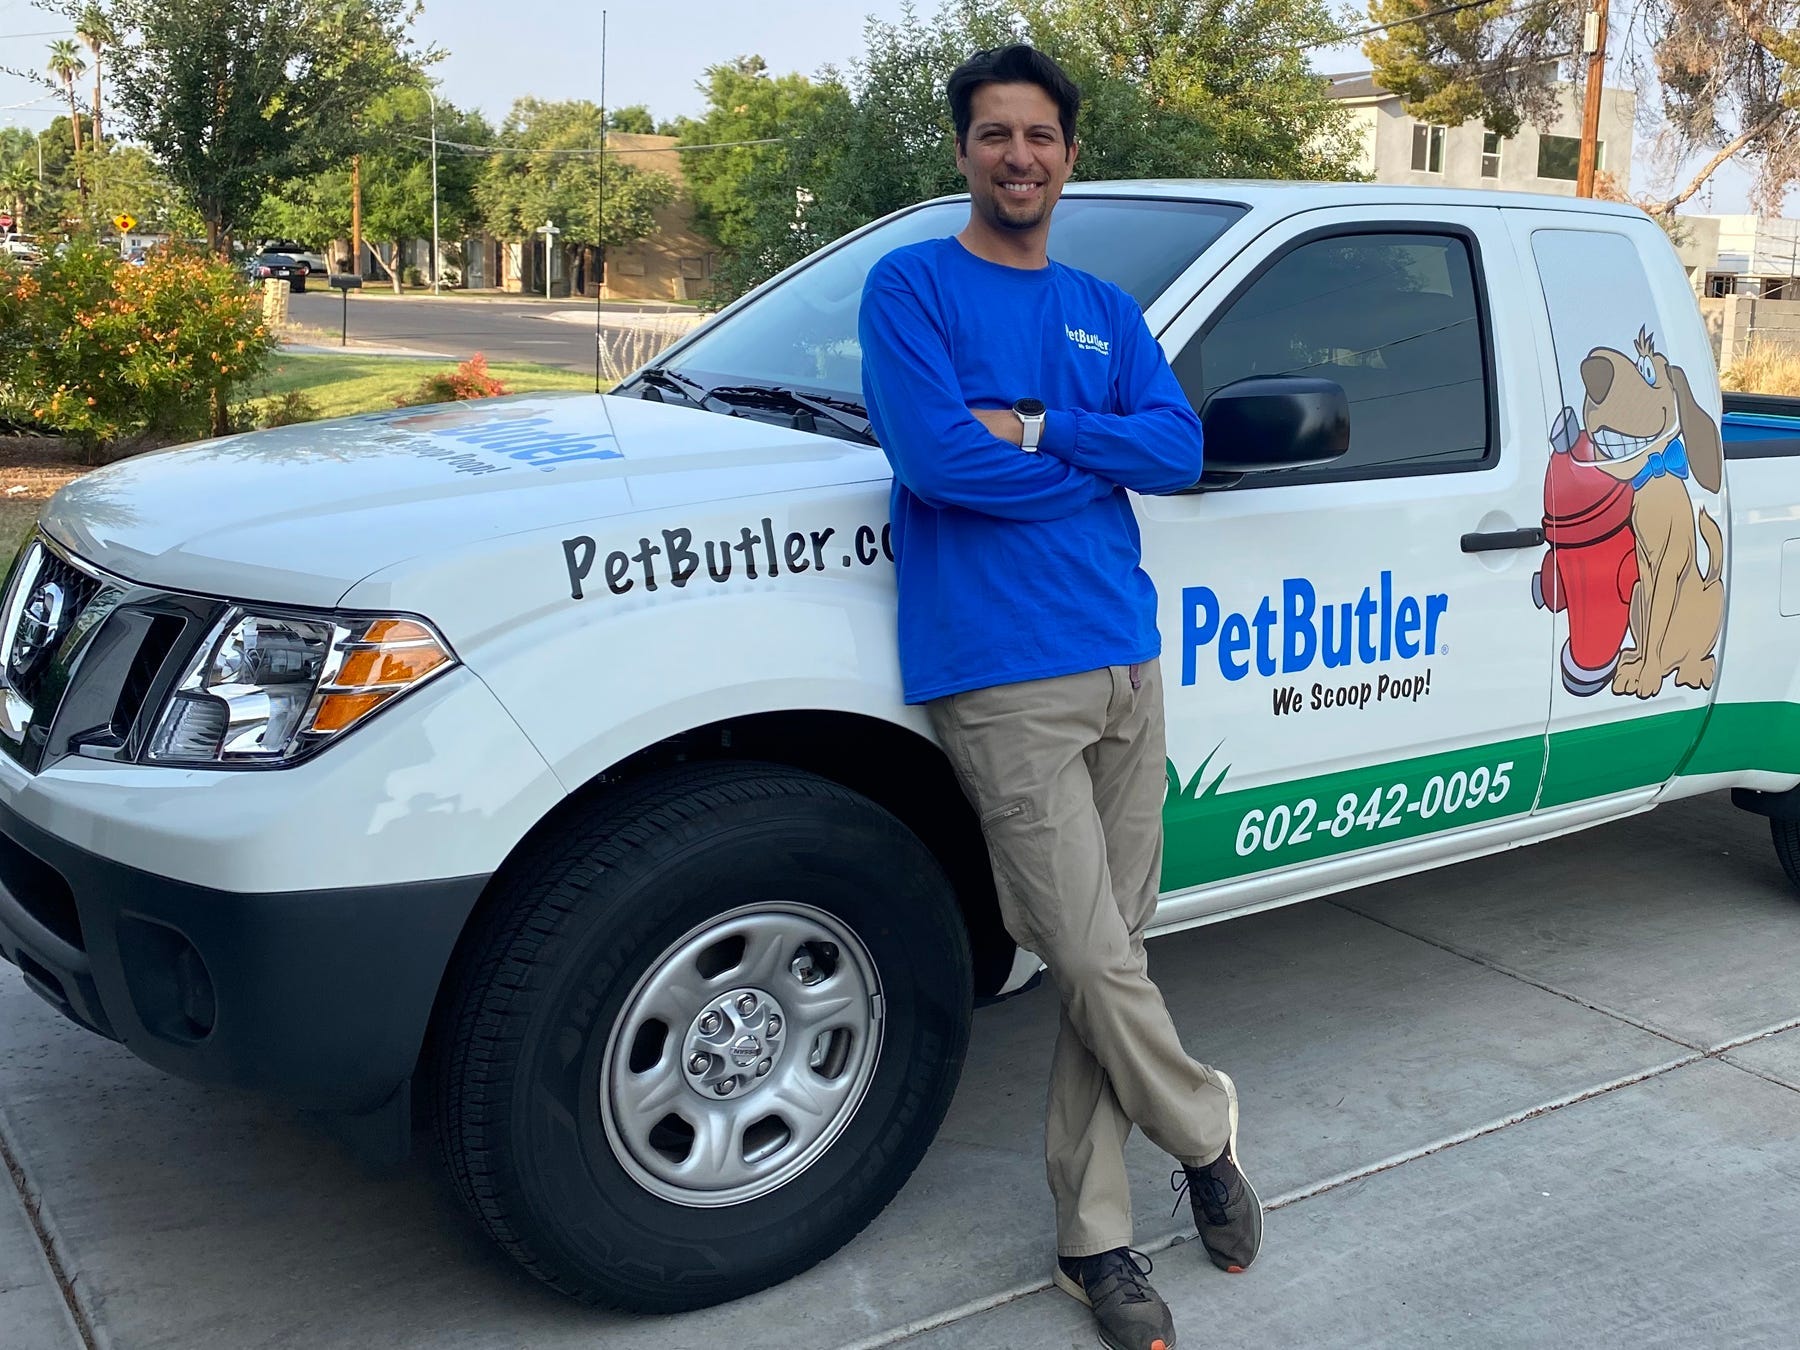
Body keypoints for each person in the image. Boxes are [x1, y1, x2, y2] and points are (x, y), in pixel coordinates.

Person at [856, 44, 1263, 1350]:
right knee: (1085, 951)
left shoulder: (1101, 305)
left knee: (1111, 959)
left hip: (1125, 657)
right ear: (964, 149)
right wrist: (1084, 457)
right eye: (995, 135)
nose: (1019, 156)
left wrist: (1042, 431)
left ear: (1068, 154)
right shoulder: (910, 286)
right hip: (1001, 670)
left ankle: (1095, 1243)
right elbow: (936, 460)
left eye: (1040, 136)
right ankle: (1205, 1127)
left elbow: (1179, 446)